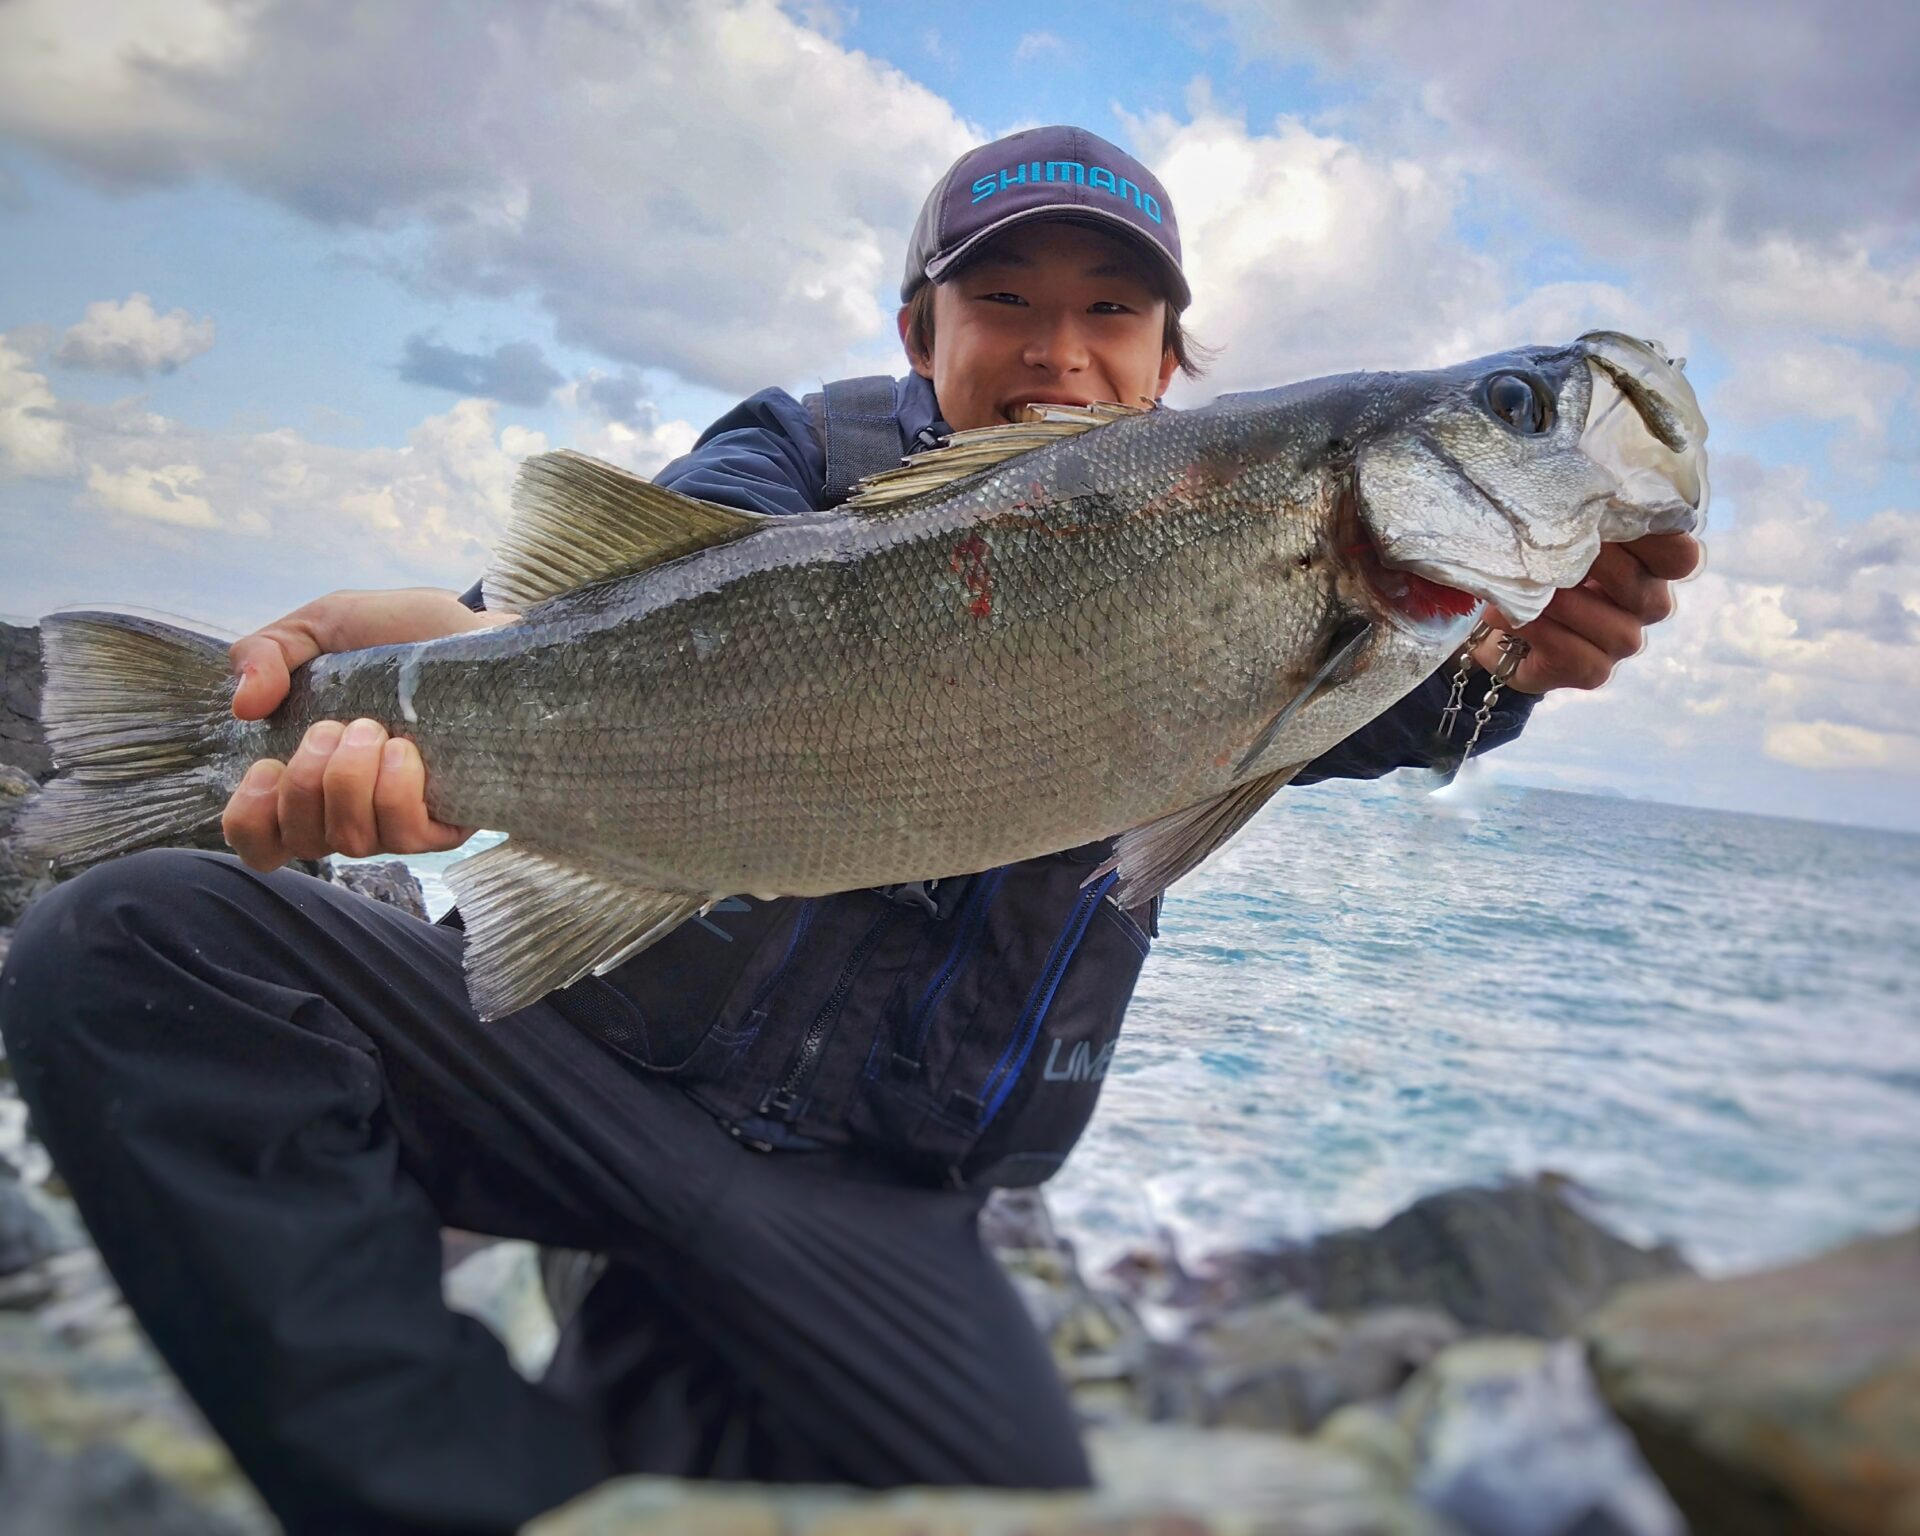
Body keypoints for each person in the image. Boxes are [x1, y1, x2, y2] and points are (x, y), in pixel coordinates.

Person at [0, 126, 1699, 1535]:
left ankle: (642, 1423)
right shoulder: (794, 457)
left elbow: (1412, 703)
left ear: (1174, 363)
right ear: (918, 335)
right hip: (578, 1085)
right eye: (1004, 301)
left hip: (878, 1211)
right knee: (123, 942)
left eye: (1113, 310)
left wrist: (1516, 659)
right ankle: (459, 1496)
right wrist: (378, 675)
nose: (1057, 347)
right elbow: (603, 613)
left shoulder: (1294, 568)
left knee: (1002, 1507)